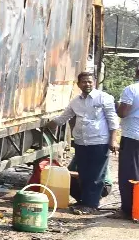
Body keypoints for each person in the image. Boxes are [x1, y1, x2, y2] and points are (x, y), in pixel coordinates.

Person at [46, 70, 119, 214]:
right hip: (81, 142)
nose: (87, 84)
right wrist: (48, 124)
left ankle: (91, 205)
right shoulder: (75, 102)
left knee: (96, 174)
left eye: (90, 81)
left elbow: (113, 121)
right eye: (84, 81)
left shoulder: (104, 98)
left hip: (99, 142)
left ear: (95, 82)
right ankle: (84, 202)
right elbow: (63, 118)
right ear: (78, 84)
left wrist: (113, 140)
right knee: (84, 173)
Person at [115, 61, 139, 219]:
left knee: (129, 173)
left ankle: (129, 209)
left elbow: (123, 113)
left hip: (132, 136)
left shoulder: (131, 89)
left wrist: (116, 105)